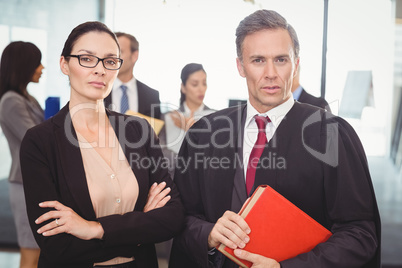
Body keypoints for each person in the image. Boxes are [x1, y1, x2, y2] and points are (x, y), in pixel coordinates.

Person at [169, 9, 380, 268]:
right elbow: (181, 217)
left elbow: (359, 233)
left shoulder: (331, 133)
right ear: (240, 66)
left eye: (280, 60)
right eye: (258, 60)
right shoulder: (205, 133)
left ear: (296, 64)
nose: (271, 73)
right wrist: (208, 234)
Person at [20, 21, 184, 268]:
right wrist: (140, 228)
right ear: (64, 64)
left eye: (109, 61)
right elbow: (57, 246)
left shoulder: (138, 130)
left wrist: (93, 229)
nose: (100, 70)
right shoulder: (39, 141)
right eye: (87, 59)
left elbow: (173, 216)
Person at [0, 41, 44, 268]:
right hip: (24, 182)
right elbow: (34, 138)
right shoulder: (10, 101)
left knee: (37, 249)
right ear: (24, 65)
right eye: (37, 63)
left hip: (33, 180)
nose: (42, 68)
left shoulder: (28, 97)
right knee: (30, 249)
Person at [104, 32, 161, 119]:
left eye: (119, 52)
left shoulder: (152, 96)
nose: (113, 59)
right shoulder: (100, 90)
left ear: (134, 56)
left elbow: (155, 131)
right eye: (111, 54)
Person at [161, 63, 214, 154]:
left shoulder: (216, 116)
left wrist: (193, 130)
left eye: (204, 83)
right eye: (195, 84)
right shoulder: (168, 118)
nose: (201, 89)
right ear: (183, 87)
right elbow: (161, 155)